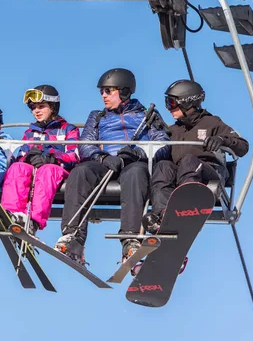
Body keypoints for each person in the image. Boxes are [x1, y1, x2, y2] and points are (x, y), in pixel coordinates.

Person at [54, 68, 170, 265]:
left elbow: (163, 143)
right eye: (102, 91)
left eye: (109, 91)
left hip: (134, 162)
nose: (103, 96)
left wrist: (138, 153)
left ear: (124, 91)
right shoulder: (97, 116)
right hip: (107, 163)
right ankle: (73, 237)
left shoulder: (146, 115)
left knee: (135, 174)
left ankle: (130, 239)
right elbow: (86, 144)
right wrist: (102, 157)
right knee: (81, 172)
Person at [143, 79, 249, 233]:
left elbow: (242, 146)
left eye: (172, 103)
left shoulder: (212, 122)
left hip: (209, 172)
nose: (168, 108)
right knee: (163, 166)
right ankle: (163, 214)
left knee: (189, 161)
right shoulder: (173, 130)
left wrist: (221, 140)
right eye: (167, 103)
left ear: (188, 102)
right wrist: (153, 132)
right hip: (181, 174)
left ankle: (185, 207)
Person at [0, 85, 80, 236]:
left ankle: (34, 221)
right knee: (17, 168)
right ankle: (12, 214)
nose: (36, 111)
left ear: (53, 107)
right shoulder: (30, 132)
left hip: (57, 169)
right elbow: (22, 155)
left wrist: (52, 157)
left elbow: (73, 155)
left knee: (47, 170)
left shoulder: (68, 129)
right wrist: (29, 157)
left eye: (41, 106)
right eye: (33, 107)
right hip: (34, 169)